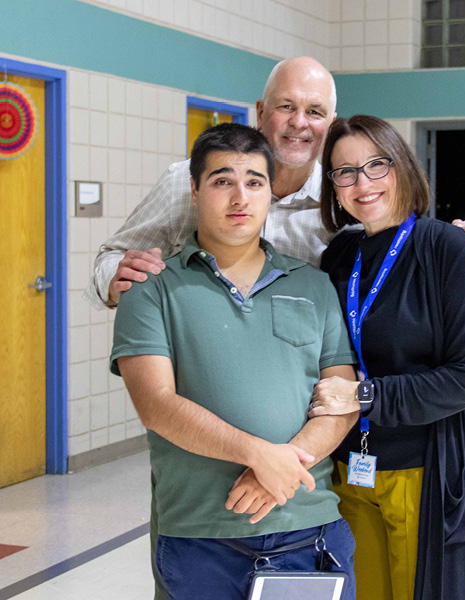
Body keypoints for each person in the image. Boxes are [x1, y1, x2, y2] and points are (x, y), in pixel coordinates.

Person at [110, 123, 358, 600]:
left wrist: (279, 475)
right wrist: (259, 455)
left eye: (254, 182)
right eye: (223, 180)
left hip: (307, 531)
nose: (240, 197)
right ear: (195, 190)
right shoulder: (150, 288)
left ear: (270, 195)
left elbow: (342, 400)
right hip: (200, 536)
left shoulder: (313, 285)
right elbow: (156, 405)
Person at [83, 57, 465, 311]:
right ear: (262, 111)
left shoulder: (346, 200)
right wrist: (115, 279)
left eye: (315, 111)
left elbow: (405, 264)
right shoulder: (186, 183)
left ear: (330, 125)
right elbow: (111, 257)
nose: (300, 123)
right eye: (287, 107)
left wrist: (462, 256)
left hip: (312, 399)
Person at [308, 115, 465, 600]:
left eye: (377, 165)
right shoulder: (339, 256)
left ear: (404, 167)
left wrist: (364, 395)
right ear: (333, 187)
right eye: (344, 171)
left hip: (426, 471)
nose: (362, 183)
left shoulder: (449, 248)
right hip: (350, 469)